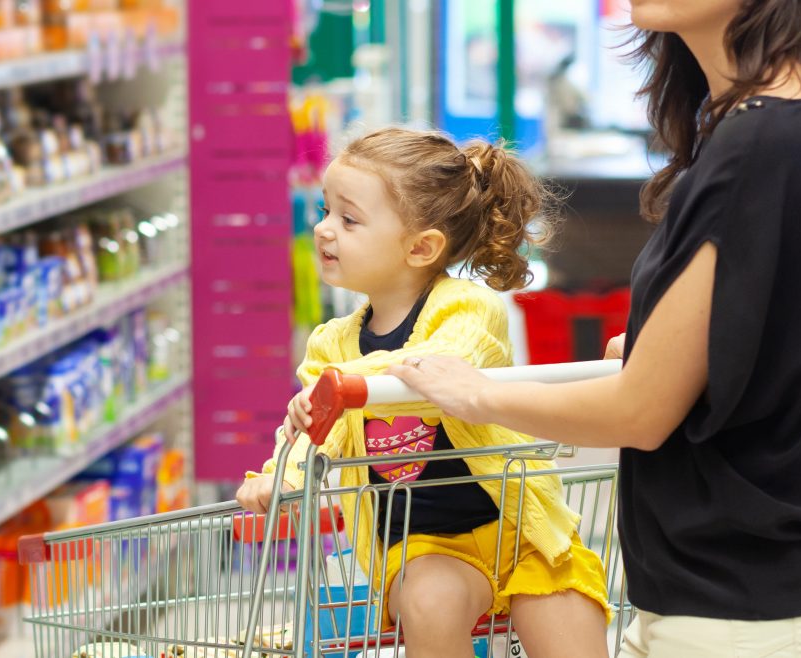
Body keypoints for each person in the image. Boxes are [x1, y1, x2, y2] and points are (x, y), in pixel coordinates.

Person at [364, 1, 801, 656]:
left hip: (733, 614)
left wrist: (473, 394)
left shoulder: (759, 145)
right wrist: (691, 349)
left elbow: (640, 411)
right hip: (773, 593)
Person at [236, 127, 611, 658]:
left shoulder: (468, 306)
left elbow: (438, 369)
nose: (323, 230)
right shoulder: (330, 344)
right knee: (429, 603)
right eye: (324, 211)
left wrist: (347, 384)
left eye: (348, 218)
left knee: (568, 629)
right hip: (424, 548)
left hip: (522, 531)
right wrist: (281, 476)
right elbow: (310, 435)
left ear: (421, 247)